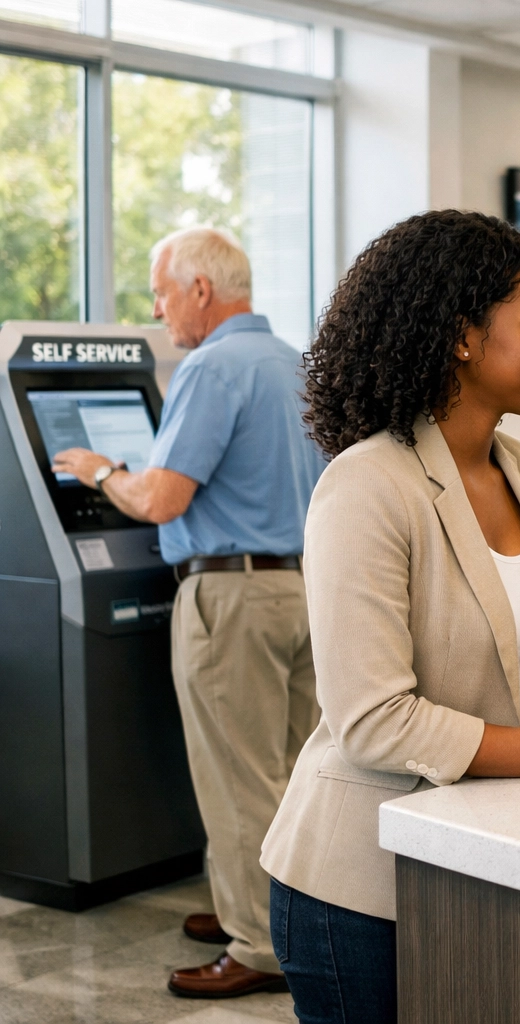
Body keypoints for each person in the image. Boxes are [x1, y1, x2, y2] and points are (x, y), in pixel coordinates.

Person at [260, 211, 520, 1024]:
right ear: (462, 337)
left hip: (481, 858)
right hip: (360, 888)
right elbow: (376, 721)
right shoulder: (368, 485)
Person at [50, 226, 325, 998]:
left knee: (238, 776)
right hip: (303, 589)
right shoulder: (294, 363)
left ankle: (261, 945)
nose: (159, 308)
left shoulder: (211, 366)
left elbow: (161, 497)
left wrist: (101, 468)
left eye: (162, 291)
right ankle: (275, 909)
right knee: (292, 771)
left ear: (201, 290)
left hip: (230, 595)